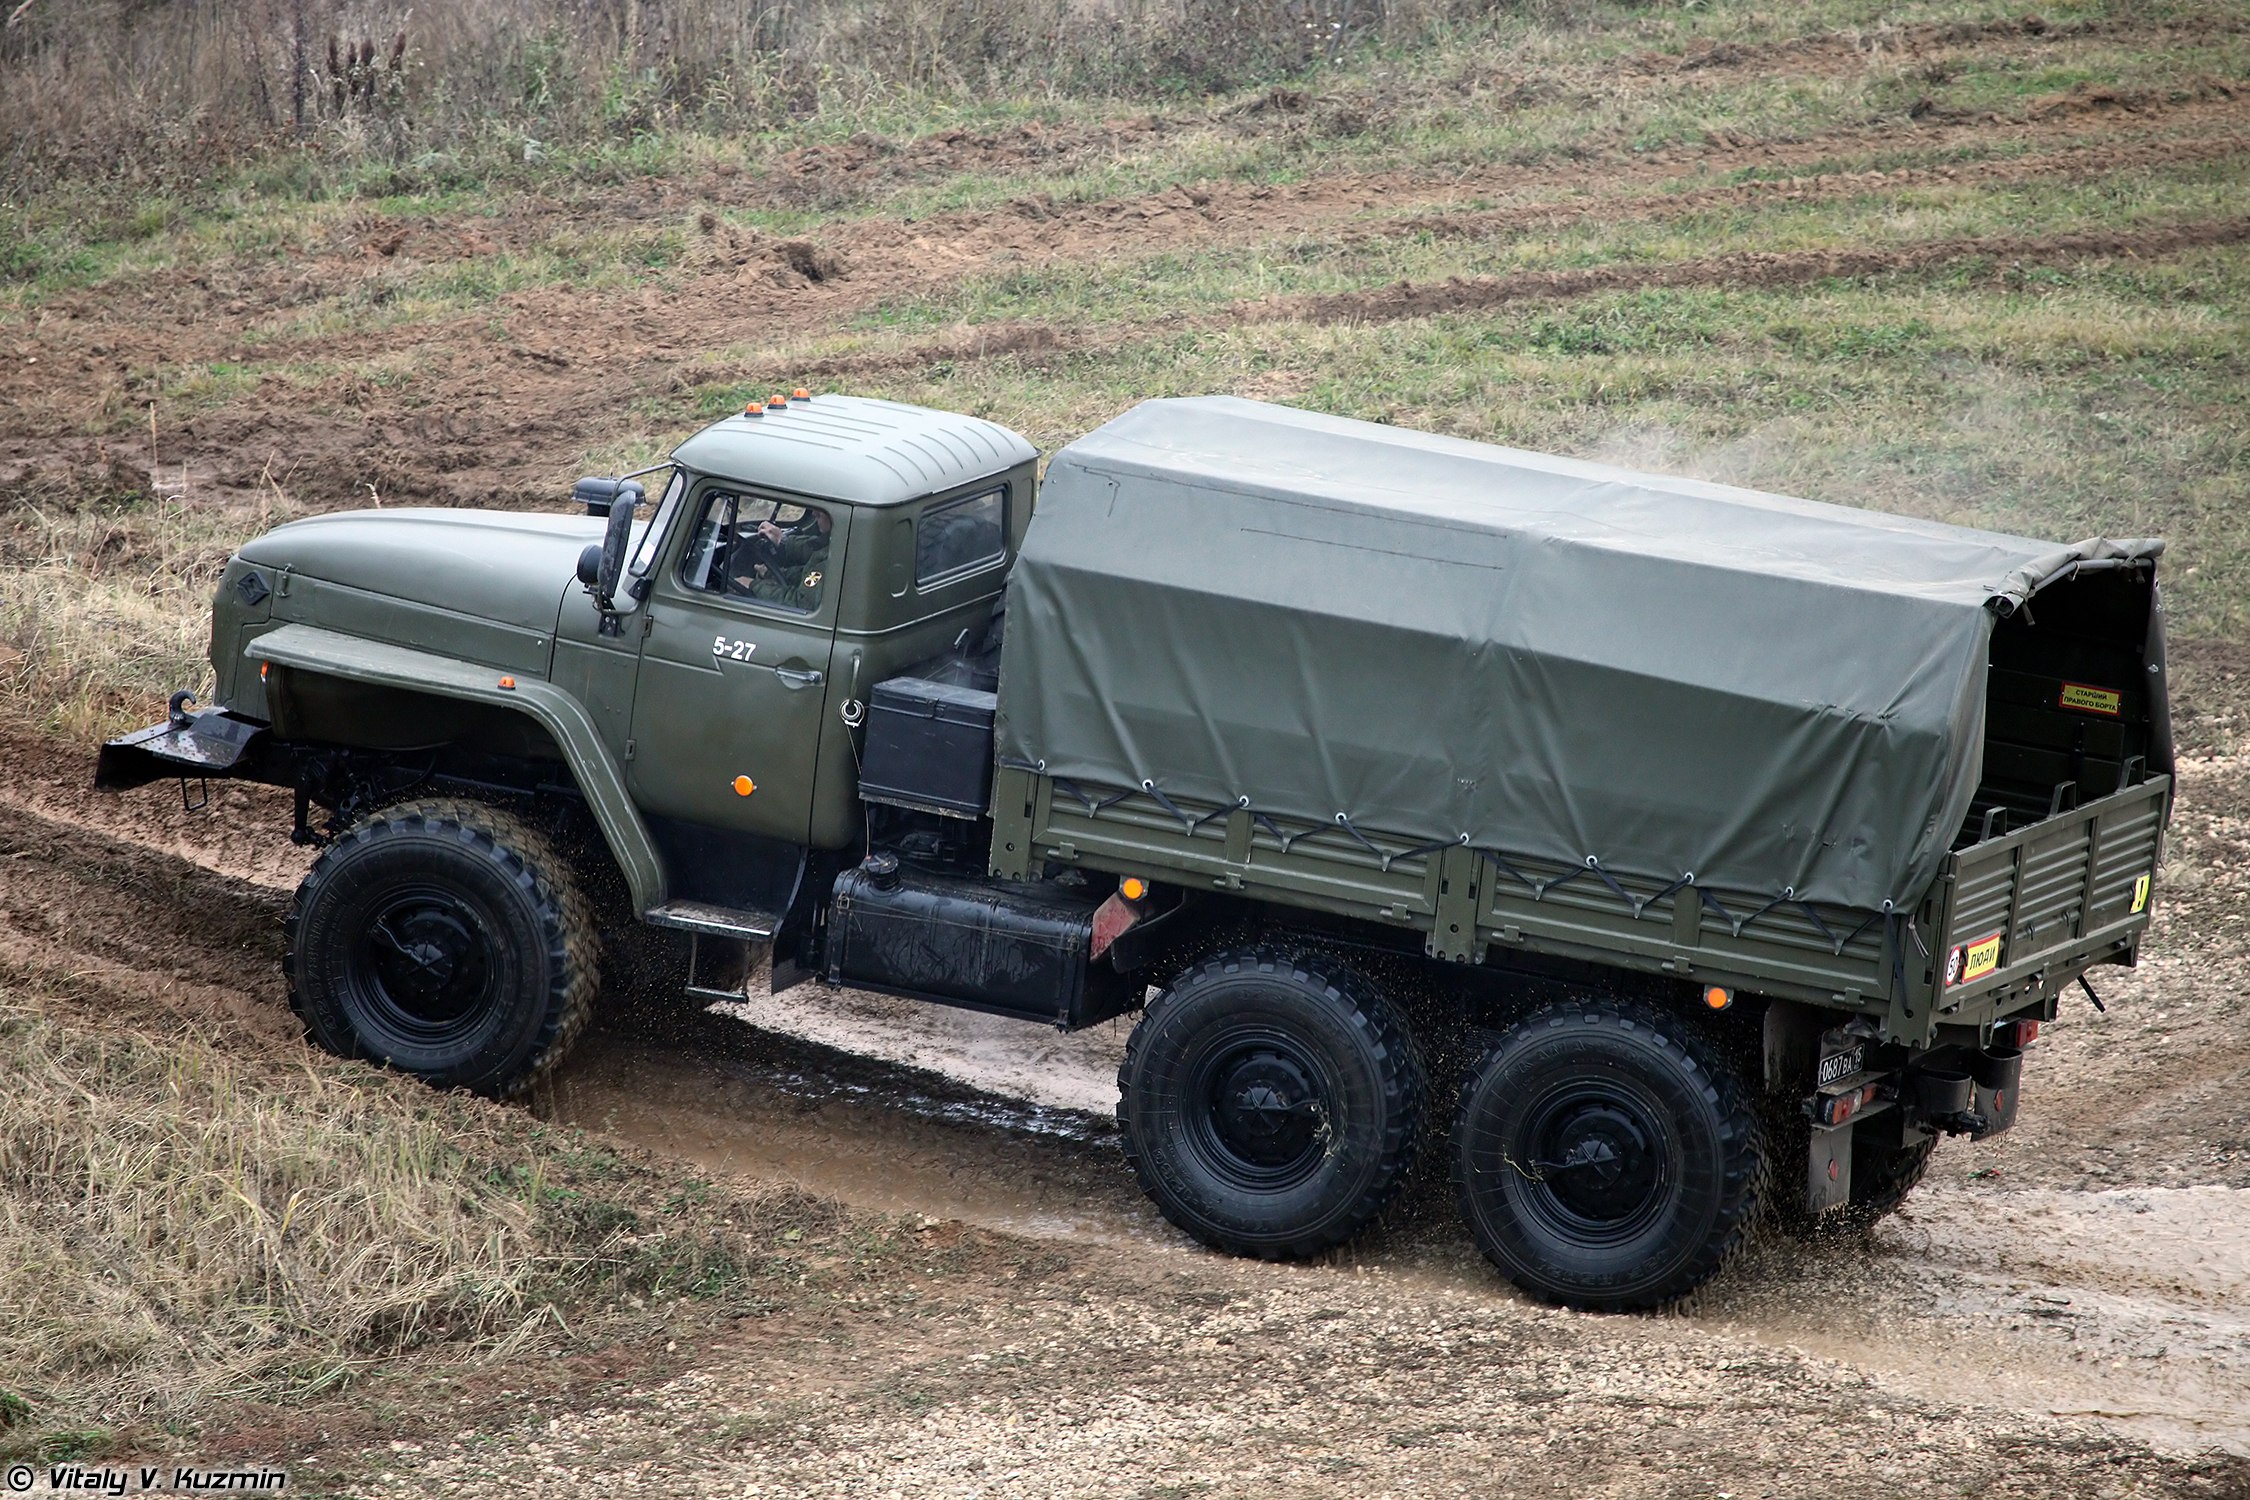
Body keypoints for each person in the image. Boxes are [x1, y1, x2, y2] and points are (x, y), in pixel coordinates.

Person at [731, 505, 831, 610]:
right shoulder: (833, 544)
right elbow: (808, 570)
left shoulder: (837, 557)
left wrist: (753, 585)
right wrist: (770, 573)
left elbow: (801, 604)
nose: (814, 513)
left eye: (821, 510)